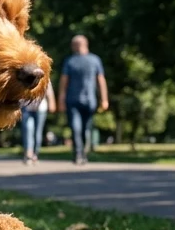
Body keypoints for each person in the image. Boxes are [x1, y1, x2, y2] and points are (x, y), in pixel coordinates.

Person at [57, 35, 108, 166]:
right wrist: (61, 99)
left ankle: (83, 153)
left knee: (86, 129)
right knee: (75, 127)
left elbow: (101, 80)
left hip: (90, 101)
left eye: (74, 44)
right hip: (72, 100)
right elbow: (64, 81)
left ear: (82, 44)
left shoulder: (95, 60)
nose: (73, 47)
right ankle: (78, 154)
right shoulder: (70, 61)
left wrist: (104, 99)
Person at [19, 83, 56, 165]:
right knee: (27, 130)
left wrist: (51, 102)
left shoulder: (42, 72)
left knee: (37, 132)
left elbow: (48, 89)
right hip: (26, 106)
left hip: (41, 107)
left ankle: (35, 154)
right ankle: (29, 154)